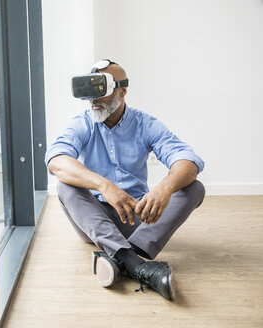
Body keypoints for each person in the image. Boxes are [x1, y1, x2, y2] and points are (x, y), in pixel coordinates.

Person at [45, 59, 205, 300]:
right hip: (93, 217)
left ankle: (121, 258)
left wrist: (164, 188)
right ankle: (136, 264)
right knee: (65, 185)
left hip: (136, 215)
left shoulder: (146, 124)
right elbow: (56, 159)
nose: (94, 101)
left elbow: (188, 161)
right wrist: (104, 185)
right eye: (91, 94)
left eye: (102, 93)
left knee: (194, 188)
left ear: (122, 90)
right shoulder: (82, 124)